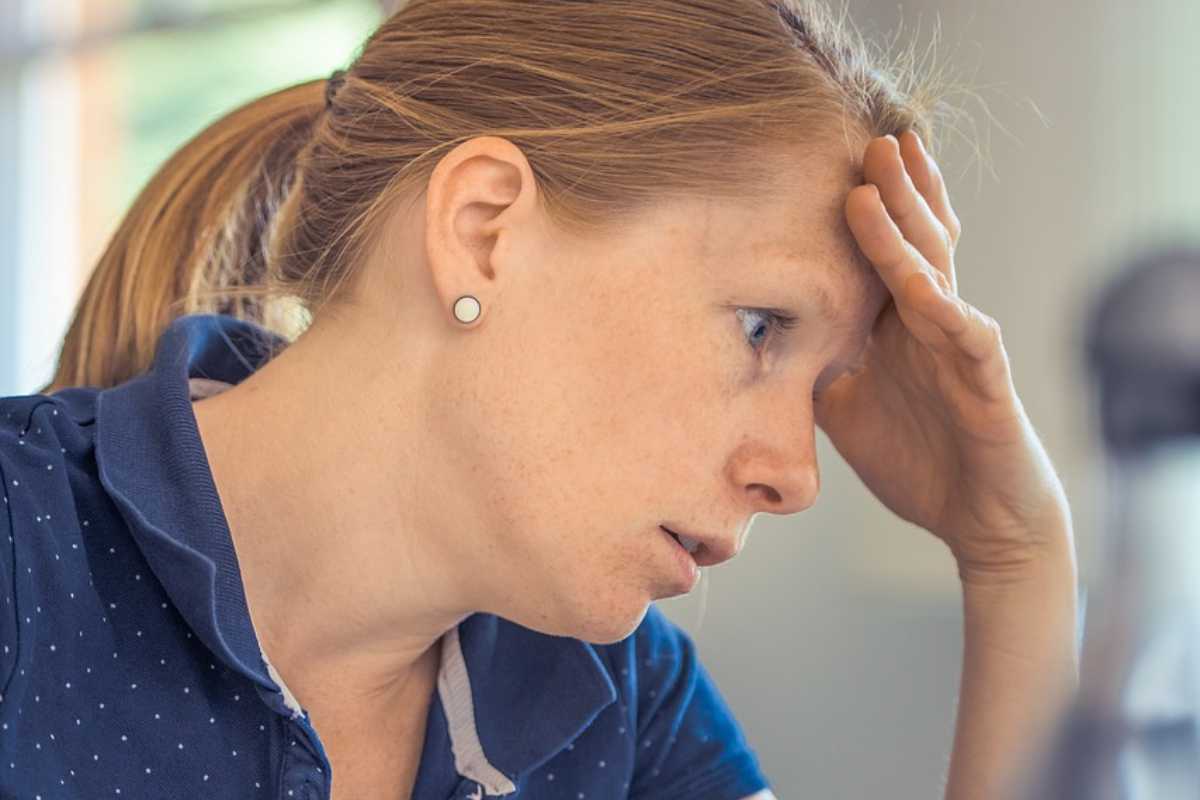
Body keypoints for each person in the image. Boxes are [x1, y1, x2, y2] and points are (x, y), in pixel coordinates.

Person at [0, 0, 1079, 798]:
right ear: (484, 230)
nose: (795, 476)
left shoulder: (619, 702)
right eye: (761, 328)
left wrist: (1015, 553)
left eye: (826, 385)